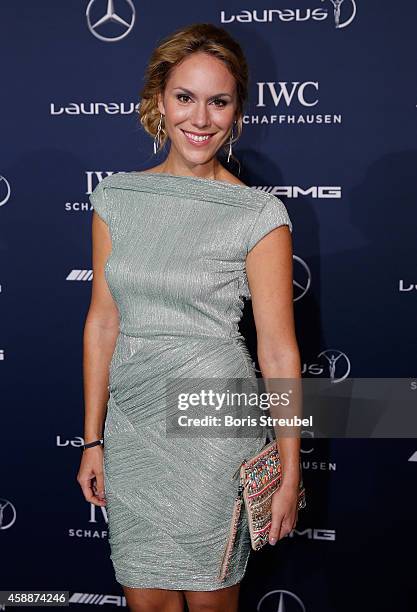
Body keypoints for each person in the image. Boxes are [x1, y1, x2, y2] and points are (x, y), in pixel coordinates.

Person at [77, 22, 302, 612]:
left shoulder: (258, 215)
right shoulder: (117, 199)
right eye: (185, 97)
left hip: (212, 425)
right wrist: (93, 439)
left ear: (237, 112)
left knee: (208, 602)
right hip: (132, 427)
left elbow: (278, 351)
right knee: (145, 600)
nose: (200, 119)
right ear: (159, 102)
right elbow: (102, 322)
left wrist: (289, 465)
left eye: (218, 101)